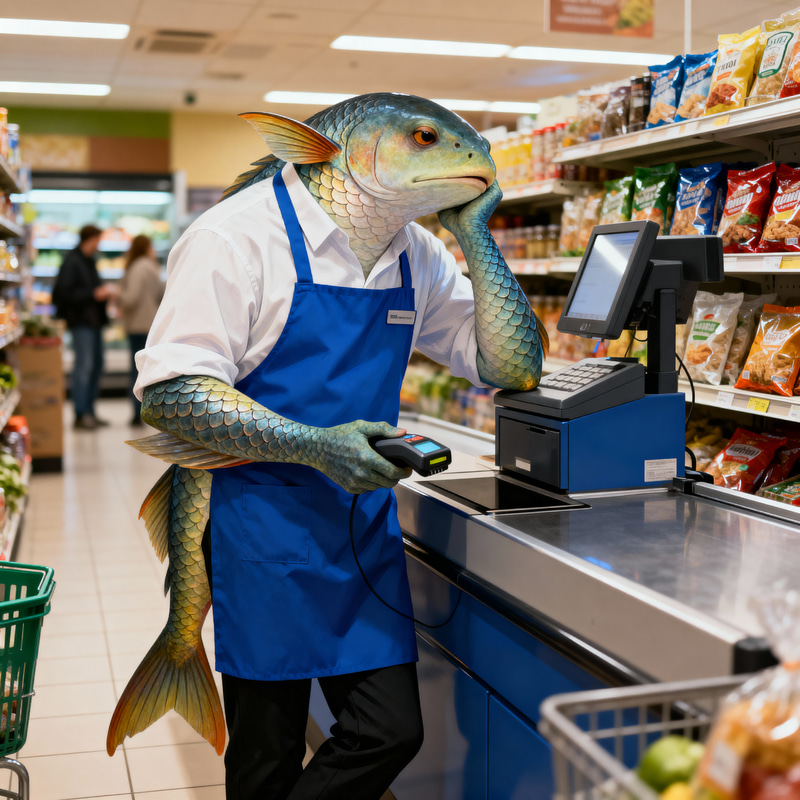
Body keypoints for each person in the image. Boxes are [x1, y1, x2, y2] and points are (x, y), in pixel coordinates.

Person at [133, 95, 544, 800]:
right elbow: (169, 392)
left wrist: (476, 235)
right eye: (423, 138)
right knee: (267, 756)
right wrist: (317, 447)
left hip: (360, 531)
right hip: (259, 531)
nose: (468, 158)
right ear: (350, 150)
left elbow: (512, 367)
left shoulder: (416, 251)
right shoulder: (236, 236)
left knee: (389, 731)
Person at [53, 224, 115, 430]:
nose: (99, 244)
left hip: (95, 322)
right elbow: (63, 294)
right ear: (89, 240)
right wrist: (93, 295)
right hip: (81, 323)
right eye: (98, 240)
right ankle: (80, 414)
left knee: (97, 366)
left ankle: (90, 411)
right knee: (84, 368)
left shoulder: (89, 261)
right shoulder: (72, 261)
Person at [117, 235, 165, 426]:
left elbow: (131, 298)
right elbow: (162, 293)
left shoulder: (136, 267)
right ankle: (152, 412)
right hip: (151, 324)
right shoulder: (154, 267)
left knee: (136, 371)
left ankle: (136, 414)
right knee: (149, 370)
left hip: (138, 325)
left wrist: (117, 295)